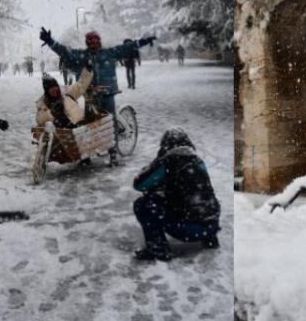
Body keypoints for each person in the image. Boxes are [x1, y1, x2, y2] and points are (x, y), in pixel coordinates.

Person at [39, 28, 155, 164]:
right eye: (91, 42)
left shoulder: (109, 53)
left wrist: (144, 41)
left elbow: (127, 47)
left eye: (96, 41)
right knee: (89, 125)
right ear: (87, 43)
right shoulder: (82, 56)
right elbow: (65, 51)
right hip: (91, 95)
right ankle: (86, 155)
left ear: (99, 42)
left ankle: (112, 154)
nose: (94, 44)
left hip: (107, 93)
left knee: (110, 123)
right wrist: (50, 41)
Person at [132, 128, 220, 261]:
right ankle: (210, 238)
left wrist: (157, 161)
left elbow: (139, 184)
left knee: (143, 204)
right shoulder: (198, 161)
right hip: (211, 225)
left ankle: (158, 249)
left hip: (187, 230)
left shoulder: (169, 161)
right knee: (201, 196)